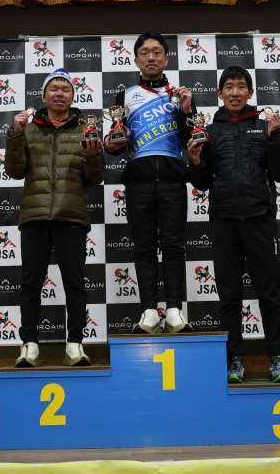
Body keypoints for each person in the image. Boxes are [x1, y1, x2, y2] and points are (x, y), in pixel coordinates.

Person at [186, 66, 280, 383]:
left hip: (259, 219)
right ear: (219, 93)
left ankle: (277, 361)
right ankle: (234, 362)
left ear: (250, 92)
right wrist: (195, 162)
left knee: (270, 295)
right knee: (229, 297)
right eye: (229, 87)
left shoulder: (264, 125)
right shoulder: (208, 130)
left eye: (241, 86)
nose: (235, 92)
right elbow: (202, 183)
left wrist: (275, 136)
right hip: (224, 221)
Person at [4, 68, 104, 367]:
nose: (60, 93)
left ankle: (74, 345)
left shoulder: (86, 128)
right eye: (54, 88)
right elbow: (15, 171)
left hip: (71, 217)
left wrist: (93, 157)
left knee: (74, 283)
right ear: (44, 96)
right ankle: (29, 345)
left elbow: (95, 178)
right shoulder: (28, 127)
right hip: (34, 217)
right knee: (30, 283)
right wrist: (15, 134)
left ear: (73, 97)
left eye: (66, 89)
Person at [104, 31, 195, 334]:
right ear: (136, 60)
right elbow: (116, 142)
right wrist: (111, 142)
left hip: (172, 180)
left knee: (173, 246)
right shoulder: (126, 95)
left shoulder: (180, 95)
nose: (151, 57)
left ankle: (174, 310)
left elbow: (192, 139)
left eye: (157, 52)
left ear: (166, 59)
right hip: (138, 182)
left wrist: (187, 111)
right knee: (144, 247)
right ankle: (148, 311)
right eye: (145, 52)